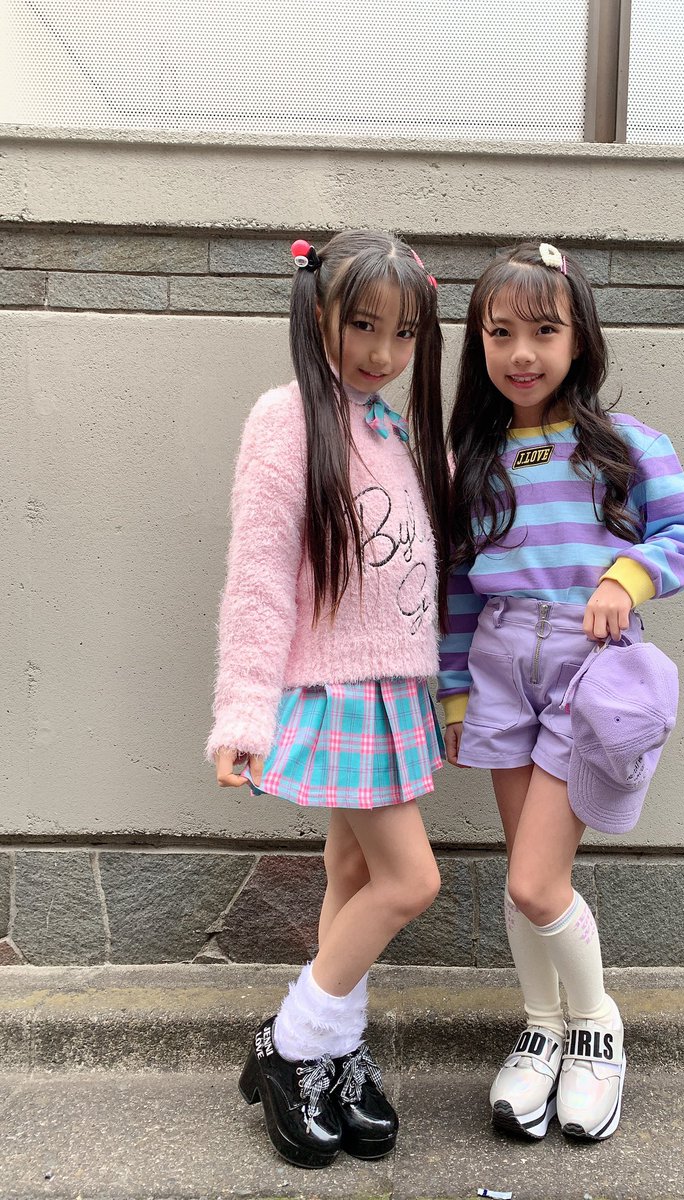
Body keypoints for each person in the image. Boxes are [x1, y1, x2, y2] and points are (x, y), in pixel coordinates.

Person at [438, 242, 684, 1143]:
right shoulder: (473, 459)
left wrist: (624, 579)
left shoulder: (627, 445)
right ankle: (542, 1028)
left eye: (544, 332)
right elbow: (458, 588)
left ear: (579, 338)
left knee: (534, 879)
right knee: (527, 877)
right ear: (479, 343)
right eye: (501, 334)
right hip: (499, 662)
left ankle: (595, 1028)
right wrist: (453, 694)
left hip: (587, 667)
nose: (522, 353)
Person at [205, 230, 450, 1170]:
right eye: (363, 325)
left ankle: (335, 1049)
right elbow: (260, 577)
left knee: (351, 875)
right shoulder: (287, 419)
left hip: (394, 688)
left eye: (403, 333)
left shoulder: (388, 426)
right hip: (341, 689)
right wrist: (243, 712)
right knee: (410, 882)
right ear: (317, 316)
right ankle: (291, 1044)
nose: (383, 352)